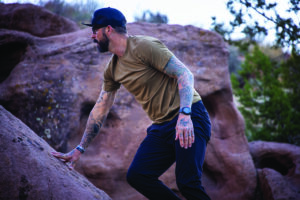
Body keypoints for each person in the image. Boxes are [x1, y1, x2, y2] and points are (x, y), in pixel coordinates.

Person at [52, 7, 211, 200]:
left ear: (108, 30)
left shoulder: (144, 46)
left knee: (188, 183)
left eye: (95, 30)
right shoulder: (112, 69)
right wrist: (80, 148)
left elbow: (184, 74)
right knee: (138, 175)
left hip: (190, 115)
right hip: (162, 126)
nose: (92, 36)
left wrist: (185, 115)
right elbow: (100, 109)